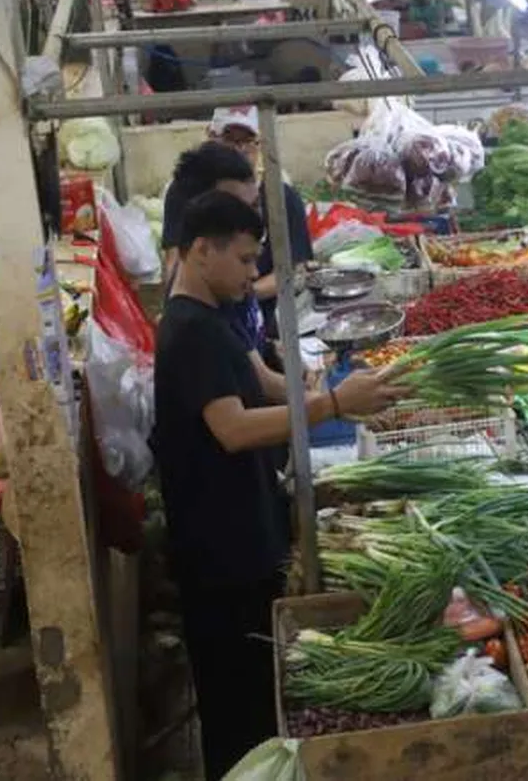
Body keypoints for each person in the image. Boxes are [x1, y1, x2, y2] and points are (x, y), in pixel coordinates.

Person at [154, 191, 408, 779]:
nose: (254, 274)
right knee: (237, 699)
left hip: (243, 532)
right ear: (199, 251)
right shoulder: (189, 331)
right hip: (220, 553)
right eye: (244, 261)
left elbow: (263, 382)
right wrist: (334, 404)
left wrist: (321, 384)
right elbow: (234, 429)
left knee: (257, 688)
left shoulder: (212, 317)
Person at [162, 105, 314, 348]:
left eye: (248, 141)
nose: (240, 150)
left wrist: (243, 289)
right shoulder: (202, 322)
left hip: (263, 322)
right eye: (230, 139)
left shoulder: (281, 197)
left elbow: (293, 271)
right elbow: (174, 263)